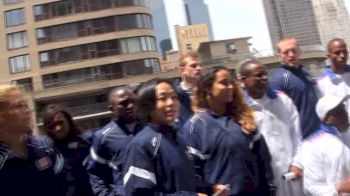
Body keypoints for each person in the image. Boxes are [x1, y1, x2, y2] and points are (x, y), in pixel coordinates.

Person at [181, 66, 275, 195]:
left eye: (231, 82)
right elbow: (191, 173)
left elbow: (263, 162)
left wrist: (270, 190)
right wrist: (210, 188)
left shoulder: (244, 120)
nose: (230, 87)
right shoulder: (194, 127)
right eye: (224, 83)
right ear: (208, 88)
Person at [123, 78, 221, 195]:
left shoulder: (178, 138)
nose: (171, 103)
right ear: (148, 105)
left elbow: (183, 179)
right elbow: (139, 192)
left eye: (174, 97)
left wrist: (210, 188)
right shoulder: (141, 144)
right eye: (163, 98)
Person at [240, 60, 304, 196]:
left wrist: (298, 163)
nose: (264, 78)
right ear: (244, 80)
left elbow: (296, 134)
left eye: (265, 74)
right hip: (263, 177)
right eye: (259, 75)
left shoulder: (283, 100)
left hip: (291, 172)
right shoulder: (239, 107)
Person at [0, 84, 65, 196]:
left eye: (26, 105)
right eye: (19, 106)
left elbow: (66, 186)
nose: (28, 110)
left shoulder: (46, 146)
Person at [86, 86, 141, 196]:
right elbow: (95, 173)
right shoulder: (102, 137)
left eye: (133, 101)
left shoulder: (150, 127)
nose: (130, 106)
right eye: (124, 103)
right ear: (112, 108)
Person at [270, 37, 320, 138]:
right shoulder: (278, 80)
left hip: (318, 134)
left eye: (294, 50)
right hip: (301, 139)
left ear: (300, 52)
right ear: (279, 56)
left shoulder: (306, 74)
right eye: (286, 52)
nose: (291, 55)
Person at [300, 95, 350, 195]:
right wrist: (338, 188)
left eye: (343, 108)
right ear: (327, 119)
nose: (344, 114)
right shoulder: (311, 145)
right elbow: (310, 186)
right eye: (338, 112)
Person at [42, 104, 93, 196]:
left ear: (68, 120)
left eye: (61, 122)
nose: (58, 128)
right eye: (53, 126)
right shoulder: (46, 150)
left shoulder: (87, 140)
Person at [316, 38, 350, 117]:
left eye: (344, 52)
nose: (342, 55)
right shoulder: (321, 83)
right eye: (337, 53)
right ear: (329, 56)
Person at [175, 51, 203, 127]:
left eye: (200, 65)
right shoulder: (174, 95)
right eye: (193, 66)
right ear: (182, 70)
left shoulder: (208, 92)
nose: (199, 68)